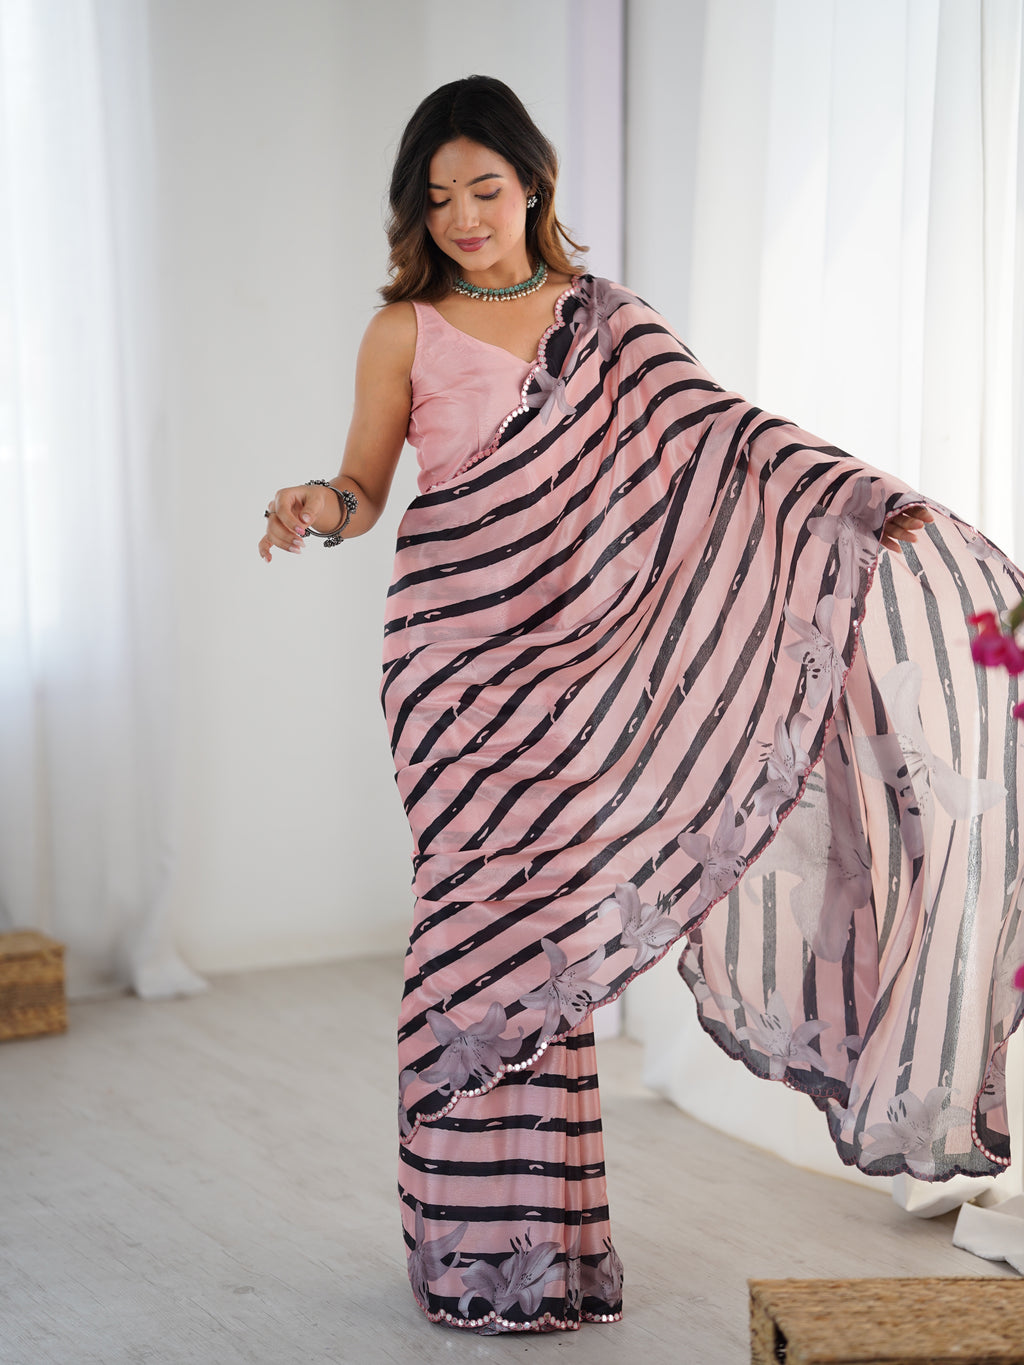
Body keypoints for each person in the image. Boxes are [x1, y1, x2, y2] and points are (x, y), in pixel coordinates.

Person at [260, 75, 1024, 1335]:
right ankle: (461, 1257)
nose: (464, 217)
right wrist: (315, 504)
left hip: (579, 680)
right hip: (453, 669)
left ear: (533, 186)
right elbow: (364, 484)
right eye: (439, 198)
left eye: (485, 190)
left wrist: (854, 497)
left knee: (547, 949)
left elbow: (727, 441)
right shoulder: (401, 329)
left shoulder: (607, 321)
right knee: (468, 934)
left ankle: (547, 1261)